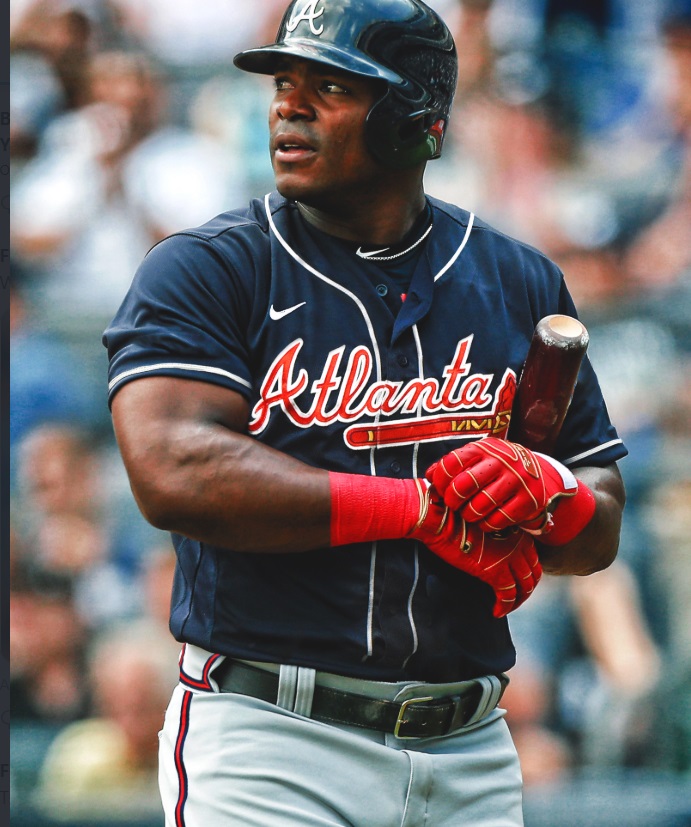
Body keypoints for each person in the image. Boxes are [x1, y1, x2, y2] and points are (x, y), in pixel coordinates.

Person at [103, 1, 627, 824]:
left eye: (331, 85)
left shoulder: (518, 280)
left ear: (418, 119)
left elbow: (598, 518)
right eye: (284, 82)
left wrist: (551, 490)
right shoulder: (207, 269)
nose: (288, 104)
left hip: (471, 744)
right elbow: (174, 470)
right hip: (273, 738)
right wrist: (419, 509)